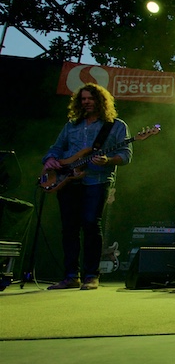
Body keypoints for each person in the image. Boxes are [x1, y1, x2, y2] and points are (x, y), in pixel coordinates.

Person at [42, 83, 132, 290]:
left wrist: (108, 160)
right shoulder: (71, 125)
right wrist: (50, 159)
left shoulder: (116, 126)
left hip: (97, 180)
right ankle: (71, 275)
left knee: (91, 224)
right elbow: (56, 148)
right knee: (69, 228)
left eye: (90, 99)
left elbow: (126, 155)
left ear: (101, 101)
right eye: (83, 99)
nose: (86, 102)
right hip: (67, 179)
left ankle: (91, 275)